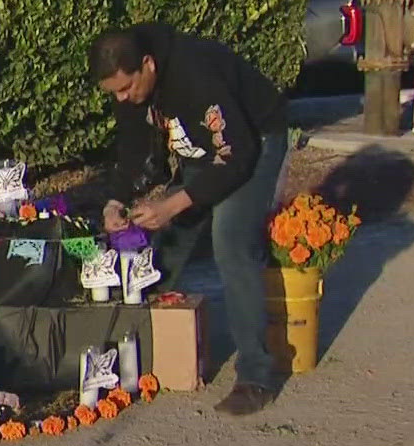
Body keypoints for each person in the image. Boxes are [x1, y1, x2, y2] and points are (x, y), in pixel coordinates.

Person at [88, 22, 290, 417]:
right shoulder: (126, 81)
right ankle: (147, 347)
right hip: (206, 152)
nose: (124, 99)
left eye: (127, 89)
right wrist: (115, 200)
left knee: (230, 240)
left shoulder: (194, 73)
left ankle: (256, 376)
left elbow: (237, 155)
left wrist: (175, 202)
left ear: (147, 65)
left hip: (253, 144)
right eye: (115, 94)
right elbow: (133, 150)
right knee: (169, 238)